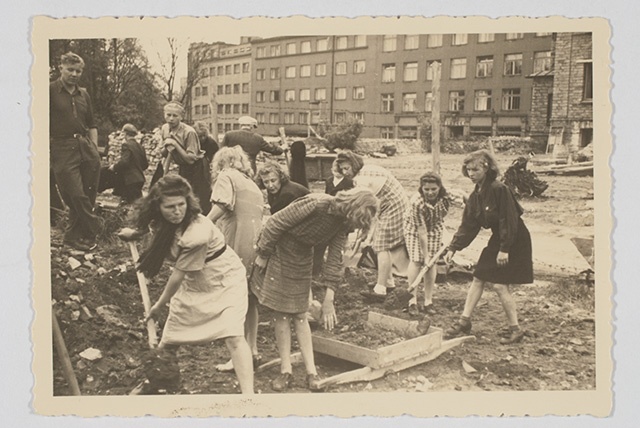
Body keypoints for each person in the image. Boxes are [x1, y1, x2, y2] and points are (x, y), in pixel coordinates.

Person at [117, 175, 254, 394]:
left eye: (181, 204)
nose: (177, 211)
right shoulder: (163, 219)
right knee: (169, 340)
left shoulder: (197, 233)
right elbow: (157, 227)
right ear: (158, 206)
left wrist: (159, 305)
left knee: (233, 335)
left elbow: (178, 275)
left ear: (187, 202)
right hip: (196, 280)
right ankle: (154, 383)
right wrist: (135, 233)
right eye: (170, 206)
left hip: (224, 279)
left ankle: (249, 397)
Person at [250, 189, 378, 392]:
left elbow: (335, 259)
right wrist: (264, 253)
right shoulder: (318, 204)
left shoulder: (342, 224)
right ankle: (286, 370)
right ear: (353, 210)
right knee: (282, 314)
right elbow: (275, 222)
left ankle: (311, 372)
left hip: (302, 255)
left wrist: (329, 298)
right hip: (279, 251)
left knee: (301, 313)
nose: (354, 228)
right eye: (357, 222)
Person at [444, 150, 533, 345]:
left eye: (475, 169)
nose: (471, 173)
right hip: (500, 238)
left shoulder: (498, 189)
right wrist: (453, 248)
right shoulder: (476, 195)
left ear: (486, 168)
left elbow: (509, 220)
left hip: (514, 238)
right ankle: (464, 321)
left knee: (500, 285)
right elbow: (469, 225)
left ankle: (515, 330)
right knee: (479, 277)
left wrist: (505, 248)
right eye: (468, 170)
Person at [207, 146, 264, 372]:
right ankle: (252, 349)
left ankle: (238, 356)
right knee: (249, 299)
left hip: (235, 242)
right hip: (253, 245)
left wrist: (202, 223)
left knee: (234, 299)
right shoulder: (252, 184)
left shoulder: (226, 176)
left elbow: (221, 205)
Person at [336, 150, 409, 298]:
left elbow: (368, 209)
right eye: (342, 169)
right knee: (380, 244)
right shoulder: (361, 174)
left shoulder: (362, 180)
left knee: (382, 245)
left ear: (354, 165)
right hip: (384, 204)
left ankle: (381, 289)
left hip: (394, 205)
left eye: (347, 168)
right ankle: (388, 283)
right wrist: (365, 233)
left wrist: (364, 232)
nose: (344, 172)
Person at [49, 52, 103, 251]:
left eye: (78, 71)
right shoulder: (50, 91)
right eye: (70, 69)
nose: (74, 74)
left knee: (88, 194)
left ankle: (72, 238)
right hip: (61, 147)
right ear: (60, 67)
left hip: (86, 147)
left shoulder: (84, 94)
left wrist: (95, 150)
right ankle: (95, 227)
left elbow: (92, 124)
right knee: (74, 194)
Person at [403, 172, 450, 317]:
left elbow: (465, 198)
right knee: (417, 260)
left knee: (432, 265)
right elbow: (421, 230)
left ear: (439, 187)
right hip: (414, 229)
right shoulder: (416, 202)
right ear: (421, 188)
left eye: (433, 189)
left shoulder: (447, 197)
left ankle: (428, 301)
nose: (430, 192)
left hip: (435, 226)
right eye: (426, 189)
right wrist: (426, 256)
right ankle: (412, 301)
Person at [159, 102, 212, 214]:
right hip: (183, 166)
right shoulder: (164, 128)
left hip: (198, 167)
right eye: (168, 115)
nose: (171, 119)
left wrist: (175, 144)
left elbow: (190, 159)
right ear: (164, 115)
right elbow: (163, 153)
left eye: (175, 116)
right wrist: (166, 146)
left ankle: (204, 223)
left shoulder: (189, 132)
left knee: (199, 199)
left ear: (181, 117)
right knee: (184, 194)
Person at [313, 159, 354, 276]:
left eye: (340, 171)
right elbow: (326, 194)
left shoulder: (348, 182)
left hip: (343, 213)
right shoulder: (329, 181)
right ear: (332, 171)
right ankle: (326, 265)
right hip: (331, 212)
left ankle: (345, 264)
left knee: (343, 240)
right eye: (336, 171)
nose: (338, 173)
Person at [107, 124, 148, 204]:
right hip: (139, 179)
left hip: (129, 180)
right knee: (137, 204)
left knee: (129, 205)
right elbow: (145, 165)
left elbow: (124, 162)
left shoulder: (126, 145)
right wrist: (136, 169)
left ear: (125, 134)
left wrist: (114, 167)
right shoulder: (140, 146)